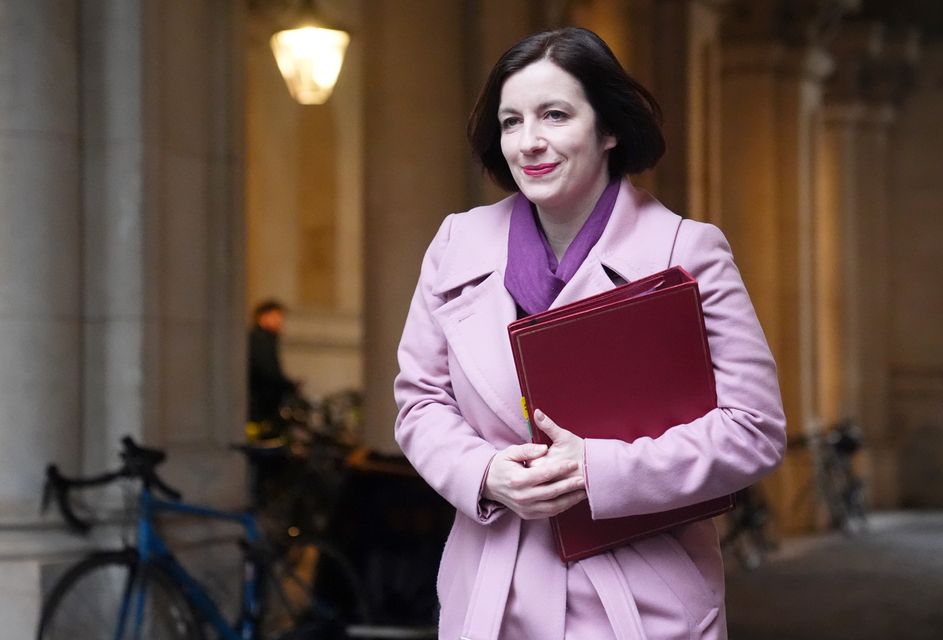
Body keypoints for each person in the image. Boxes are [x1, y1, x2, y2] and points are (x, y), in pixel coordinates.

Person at [393, 26, 786, 640]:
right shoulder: (455, 244)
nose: (530, 142)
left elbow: (753, 430)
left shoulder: (688, 250)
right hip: (492, 595)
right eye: (511, 121)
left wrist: (600, 469)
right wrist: (484, 472)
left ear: (608, 130)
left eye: (554, 115)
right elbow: (419, 401)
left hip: (641, 598)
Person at [247, 299, 297, 437]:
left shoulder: (264, 339)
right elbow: (268, 371)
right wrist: (288, 385)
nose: (280, 321)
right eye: (276, 316)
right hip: (260, 408)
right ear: (263, 317)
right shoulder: (260, 339)